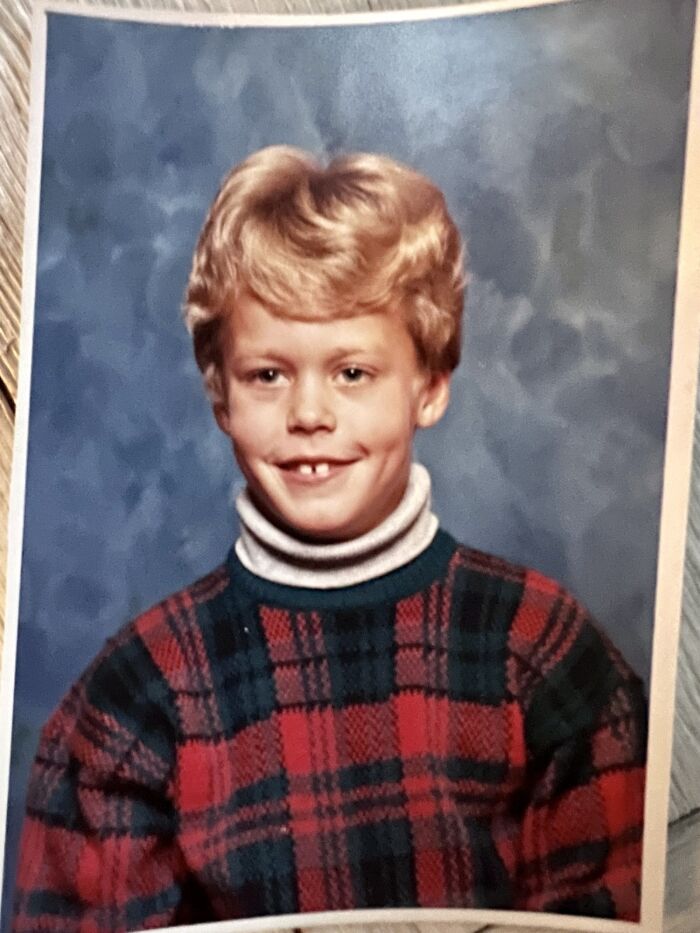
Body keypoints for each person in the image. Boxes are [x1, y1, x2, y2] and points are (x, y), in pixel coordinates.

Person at [13, 146, 646, 930]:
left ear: (429, 385)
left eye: (352, 372)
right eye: (268, 375)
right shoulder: (137, 697)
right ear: (220, 395)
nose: (309, 413)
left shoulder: (541, 647)